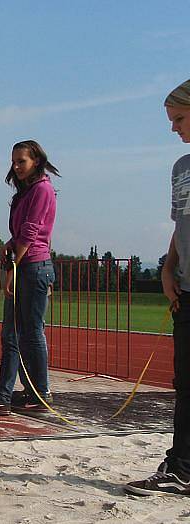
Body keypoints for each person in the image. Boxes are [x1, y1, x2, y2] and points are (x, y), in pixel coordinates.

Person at [126, 79, 190, 497]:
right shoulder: (181, 169)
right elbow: (179, 225)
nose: (173, 129)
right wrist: (168, 267)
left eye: (180, 119)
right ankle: (182, 466)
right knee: (185, 384)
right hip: (185, 291)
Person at [0, 141, 58, 415]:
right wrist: (10, 243)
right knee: (16, 334)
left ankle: (24, 394)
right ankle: (22, 394)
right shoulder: (28, 191)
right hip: (31, 265)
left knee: (24, 333)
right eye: (14, 162)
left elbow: (32, 232)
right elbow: (27, 230)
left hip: (32, 267)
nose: (17, 167)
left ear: (36, 161)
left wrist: (12, 268)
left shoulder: (42, 189)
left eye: (22, 161)